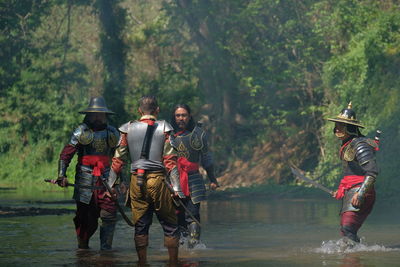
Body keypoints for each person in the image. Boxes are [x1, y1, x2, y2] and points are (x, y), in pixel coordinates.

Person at [110, 96, 182, 265]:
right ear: (157, 110)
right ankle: (173, 263)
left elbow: (117, 160)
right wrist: (177, 189)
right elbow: (170, 162)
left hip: (136, 182)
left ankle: (142, 263)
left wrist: (110, 184)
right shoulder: (165, 128)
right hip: (159, 181)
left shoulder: (126, 129)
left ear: (139, 111)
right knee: (170, 225)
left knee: (141, 225)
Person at [56, 96, 120, 250]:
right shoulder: (81, 131)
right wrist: (61, 175)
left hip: (107, 179)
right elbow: (66, 155)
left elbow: (119, 159)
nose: (98, 117)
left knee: (109, 215)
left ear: (105, 115)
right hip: (85, 179)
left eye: (101, 114)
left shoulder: (112, 132)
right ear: (89, 114)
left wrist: (121, 181)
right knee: (85, 219)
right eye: (95, 114)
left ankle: (106, 252)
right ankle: (83, 250)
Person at [327, 102, 378, 243]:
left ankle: (353, 258)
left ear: (350, 127)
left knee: (347, 227)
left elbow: (372, 172)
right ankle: (355, 256)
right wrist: (341, 190)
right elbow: (349, 173)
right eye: (336, 125)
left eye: (341, 125)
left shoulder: (360, 145)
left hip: (361, 190)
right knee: (347, 230)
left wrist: (360, 193)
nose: (337, 129)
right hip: (352, 189)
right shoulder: (347, 144)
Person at [170, 104, 219, 248]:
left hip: (193, 179)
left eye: (184, 115)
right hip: (173, 180)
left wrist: (213, 179)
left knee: (192, 214)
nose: (181, 118)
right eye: (178, 115)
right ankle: (179, 249)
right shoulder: (168, 135)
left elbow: (206, 159)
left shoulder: (198, 135)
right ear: (174, 117)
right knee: (176, 216)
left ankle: (193, 249)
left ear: (189, 116)